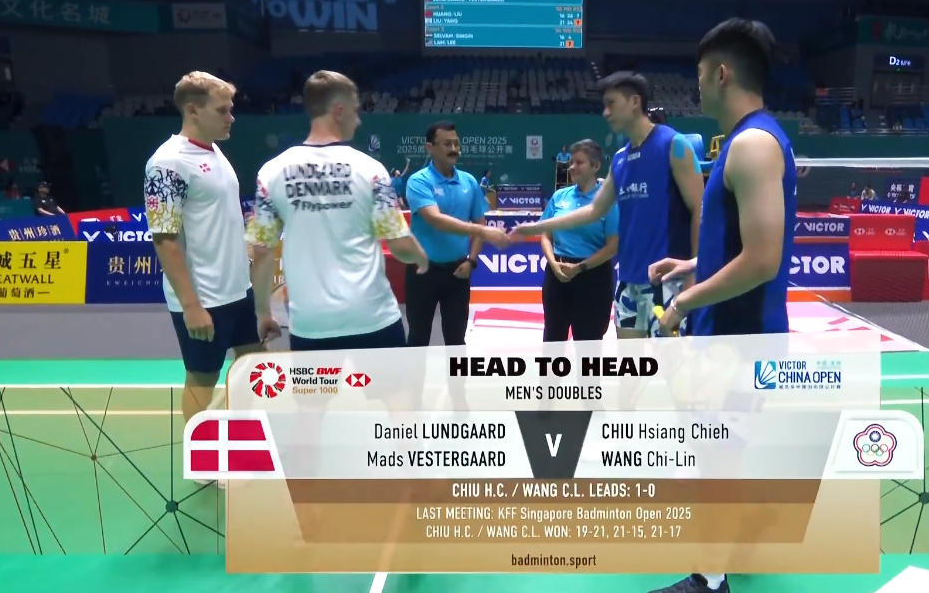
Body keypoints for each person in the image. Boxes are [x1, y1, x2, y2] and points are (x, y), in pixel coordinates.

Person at [648, 17, 797, 593]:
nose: (697, 85)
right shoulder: (745, 142)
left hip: (741, 336)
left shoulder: (753, 145)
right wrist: (693, 264)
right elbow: (739, 244)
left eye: (699, 74)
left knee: (713, 458)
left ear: (722, 74)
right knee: (722, 454)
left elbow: (762, 259)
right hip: (733, 332)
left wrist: (683, 302)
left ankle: (709, 581)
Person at [247, 71, 428, 363]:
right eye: (356, 111)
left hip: (310, 325)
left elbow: (262, 251)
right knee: (394, 394)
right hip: (373, 318)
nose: (358, 120)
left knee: (315, 397)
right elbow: (399, 245)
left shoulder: (271, 172)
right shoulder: (371, 170)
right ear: (339, 111)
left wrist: (263, 313)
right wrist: (421, 258)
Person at [511, 71, 704, 340]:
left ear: (634, 102)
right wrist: (537, 227)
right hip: (628, 282)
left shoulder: (674, 145)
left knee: (671, 364)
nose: (605, 112)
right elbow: (594, 210)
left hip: (668, 282)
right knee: (630, 365)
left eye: (611, 103)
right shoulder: (620, 160)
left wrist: (694, 273)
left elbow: (700, 210)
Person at [144, 72, 264, 483]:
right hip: (204, 298)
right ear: (193, 110)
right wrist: (192, 306)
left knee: (252, 372)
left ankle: (242, 448)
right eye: (223, 110)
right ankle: (205, 460)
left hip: (237, 290)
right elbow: (165, 239)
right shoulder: (167, 163)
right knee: (202, 379)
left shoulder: (214, 152)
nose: (232, 117)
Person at [406, 120, 510, 409]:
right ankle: (413, 396)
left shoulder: (469, 182)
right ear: (430, 147)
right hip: (423, 272)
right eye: (447, 144)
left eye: (456, 143)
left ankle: (458, 395)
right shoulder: (419, 181)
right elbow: (435, 219)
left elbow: (480, 220)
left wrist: (472, 261)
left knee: (456, 340)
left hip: (457, 273)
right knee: (417, 338)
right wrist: (482, 232)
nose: (454, 148)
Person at [539, 139, 619, 342]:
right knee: (552, 340)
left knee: (588, 343)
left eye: (579, 162)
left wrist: (580, 267)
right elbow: (545, 234)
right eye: (571, 162)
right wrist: (553, 263)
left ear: (596, 166)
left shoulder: (608, 201)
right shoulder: (559, 196)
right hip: (557, 276)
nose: (572, 167)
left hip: (593, 278)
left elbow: (613, 246)